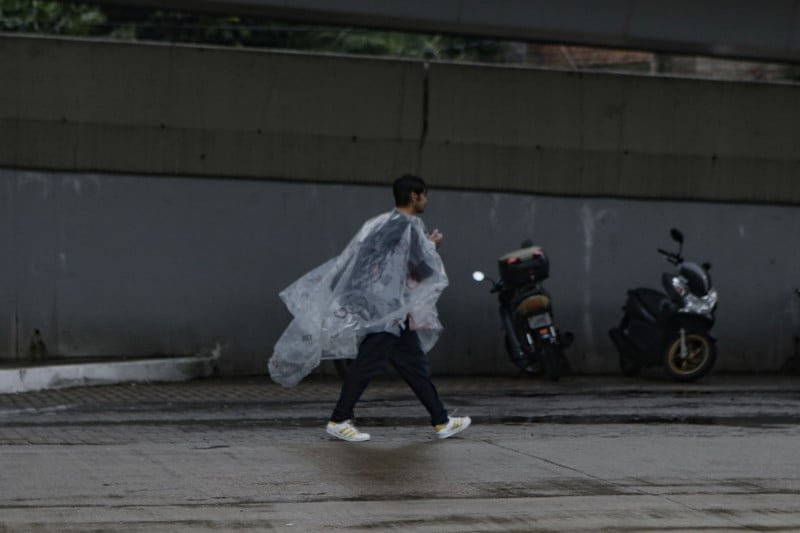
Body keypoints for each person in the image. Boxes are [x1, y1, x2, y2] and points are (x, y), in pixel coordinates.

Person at [268, 174, 470, 442]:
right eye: (424, 195)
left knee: (415, 366)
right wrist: (432, 247)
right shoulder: (403, 227)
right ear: (414, 196)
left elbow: (383, 266)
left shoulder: (384, 225)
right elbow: (415, 270)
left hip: (393, 313)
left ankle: (441, 421)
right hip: (385, 315)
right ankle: (339, 419)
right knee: (366, 366)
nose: (426, 201)